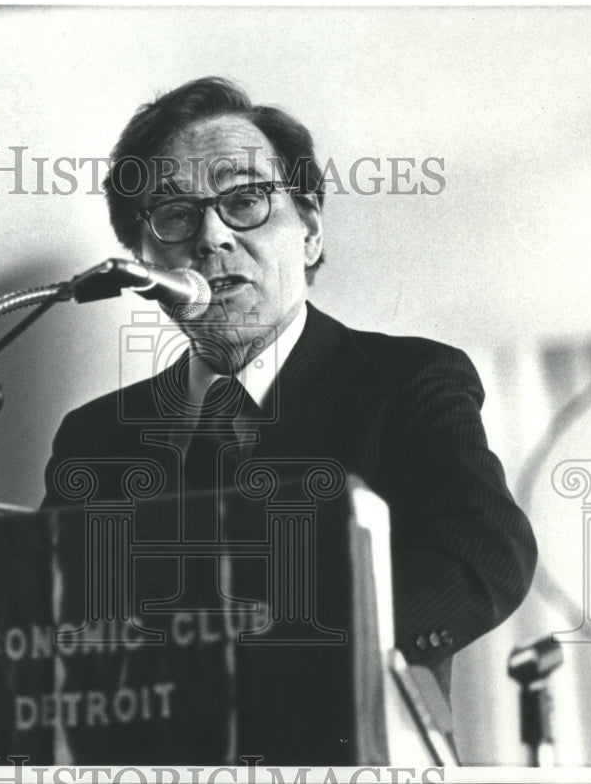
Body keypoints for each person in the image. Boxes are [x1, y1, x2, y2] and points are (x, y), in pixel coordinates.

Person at [41, 77, 537, 702]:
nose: (212, 238)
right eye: (174, 215)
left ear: (309, 231)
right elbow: (46, 624)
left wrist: (273, 667)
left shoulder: (407, 380)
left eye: (244, 201)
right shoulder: (94, 438)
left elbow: (484, 550)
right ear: (145, 264)